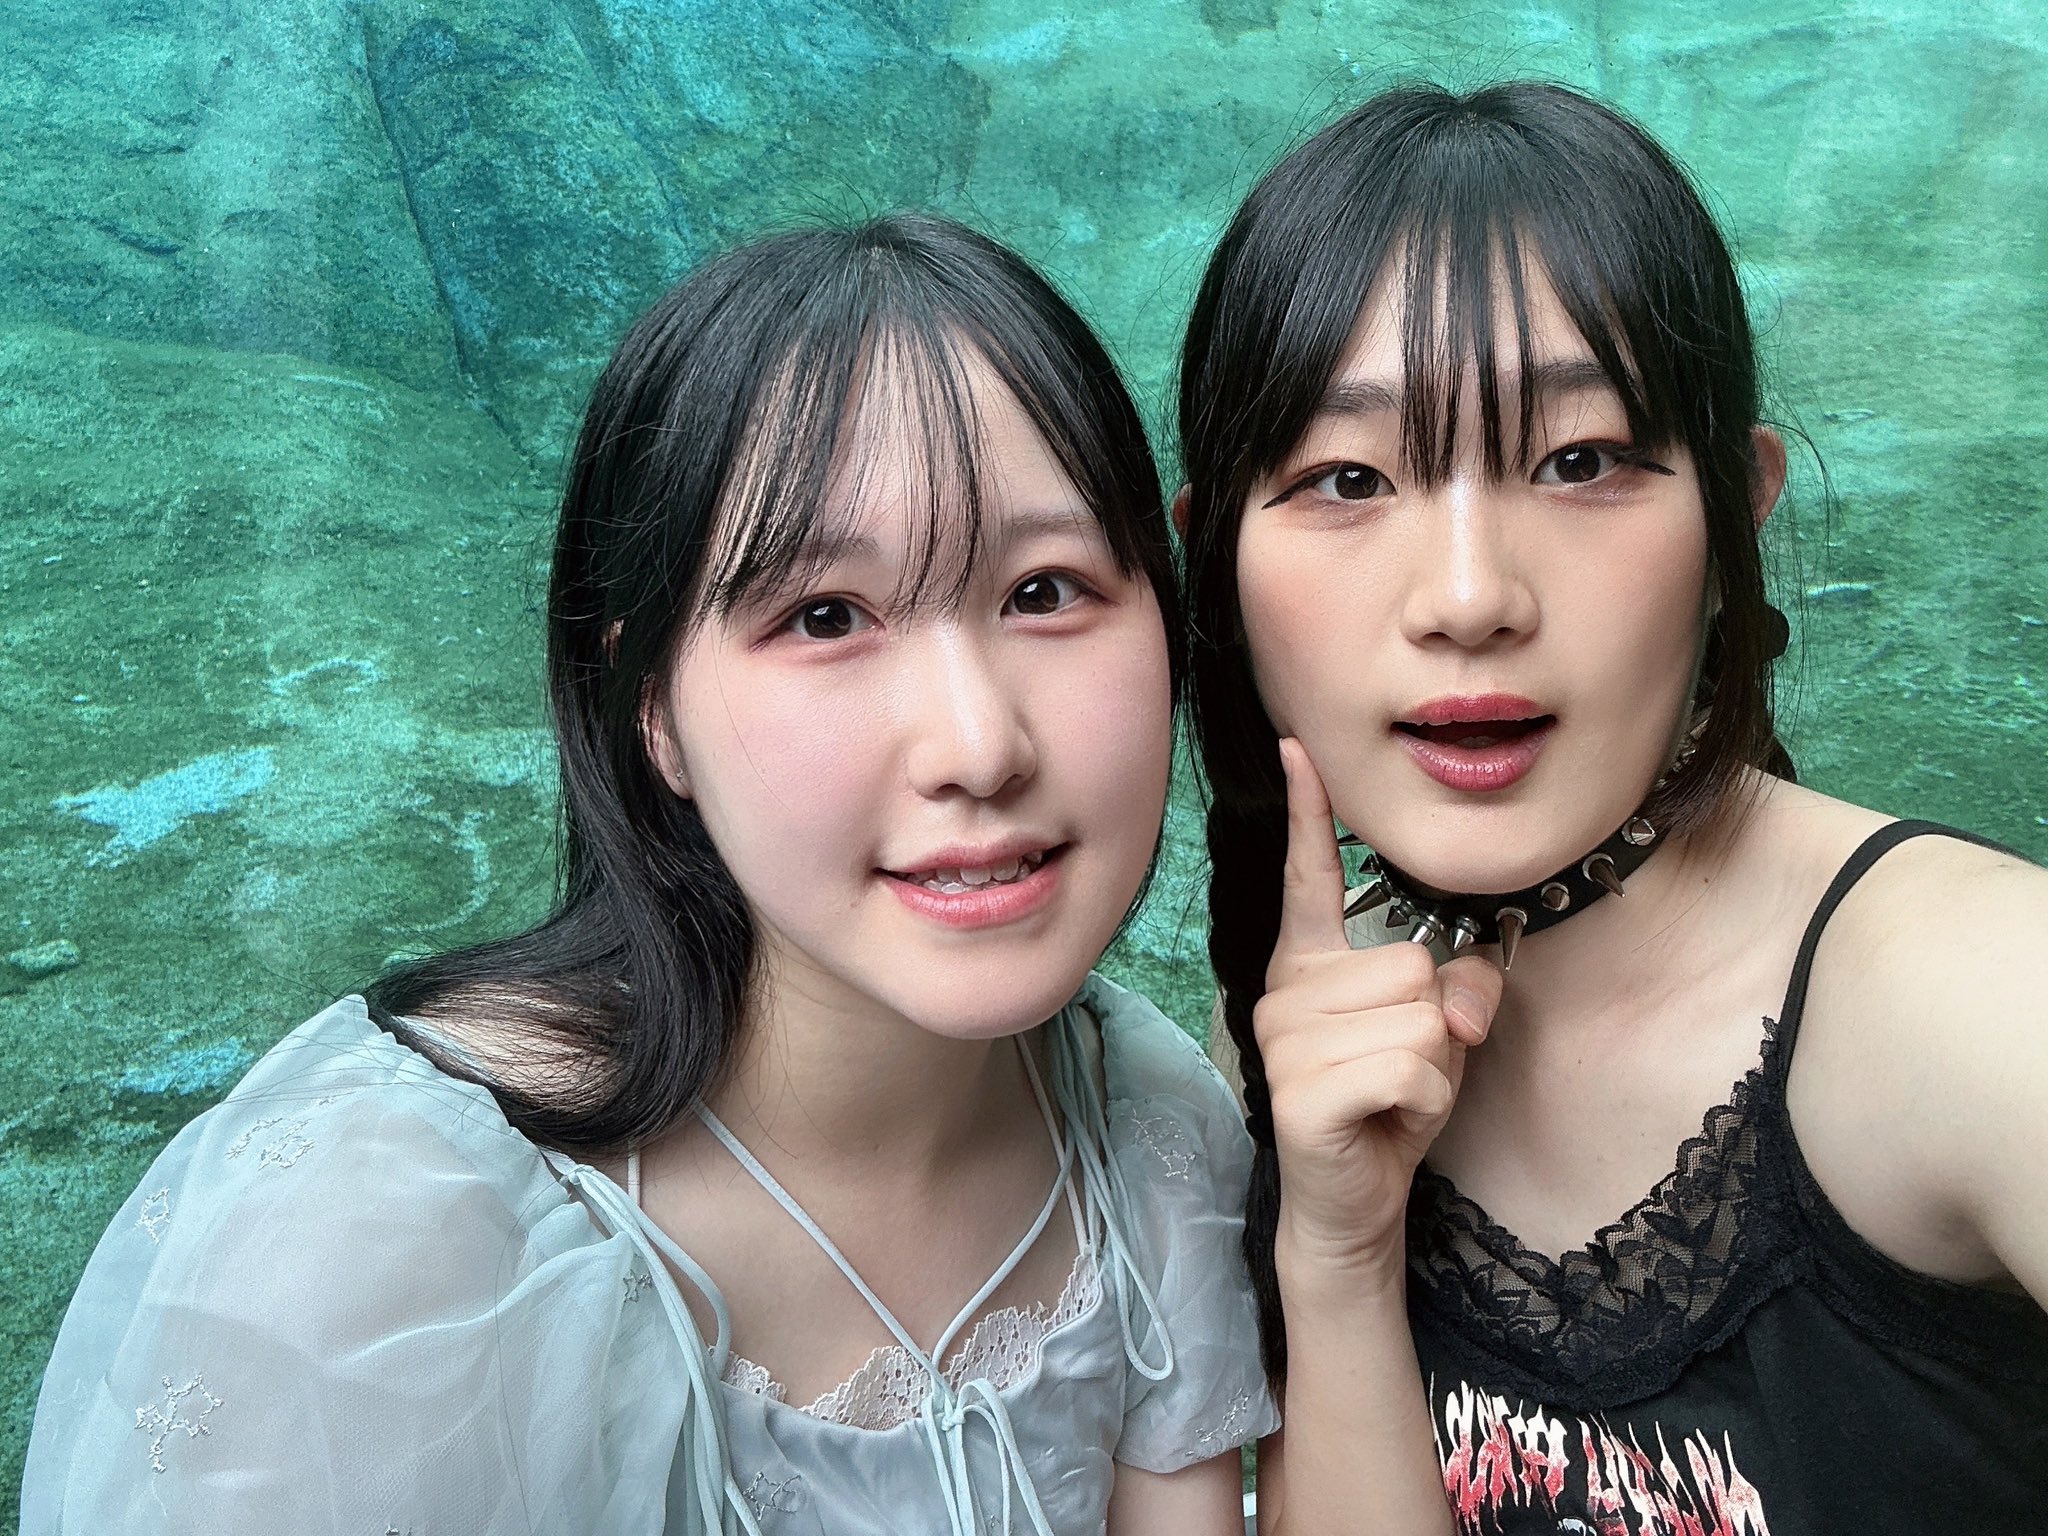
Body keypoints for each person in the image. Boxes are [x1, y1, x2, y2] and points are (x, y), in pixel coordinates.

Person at [24, 213, 1274, 1534]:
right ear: (653, 709)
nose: (978, 746)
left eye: (1045, 592)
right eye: (826, 617)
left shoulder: (1141, 1129)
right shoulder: (391, 1236)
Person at [1175, 82, 2048, 1534]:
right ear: (1214, 561)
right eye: (1348, 478)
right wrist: (1335, 1263)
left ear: (1737, 509)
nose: (1469, 598)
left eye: (1580, 461)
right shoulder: (1291, 1031)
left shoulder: (1976, 998)